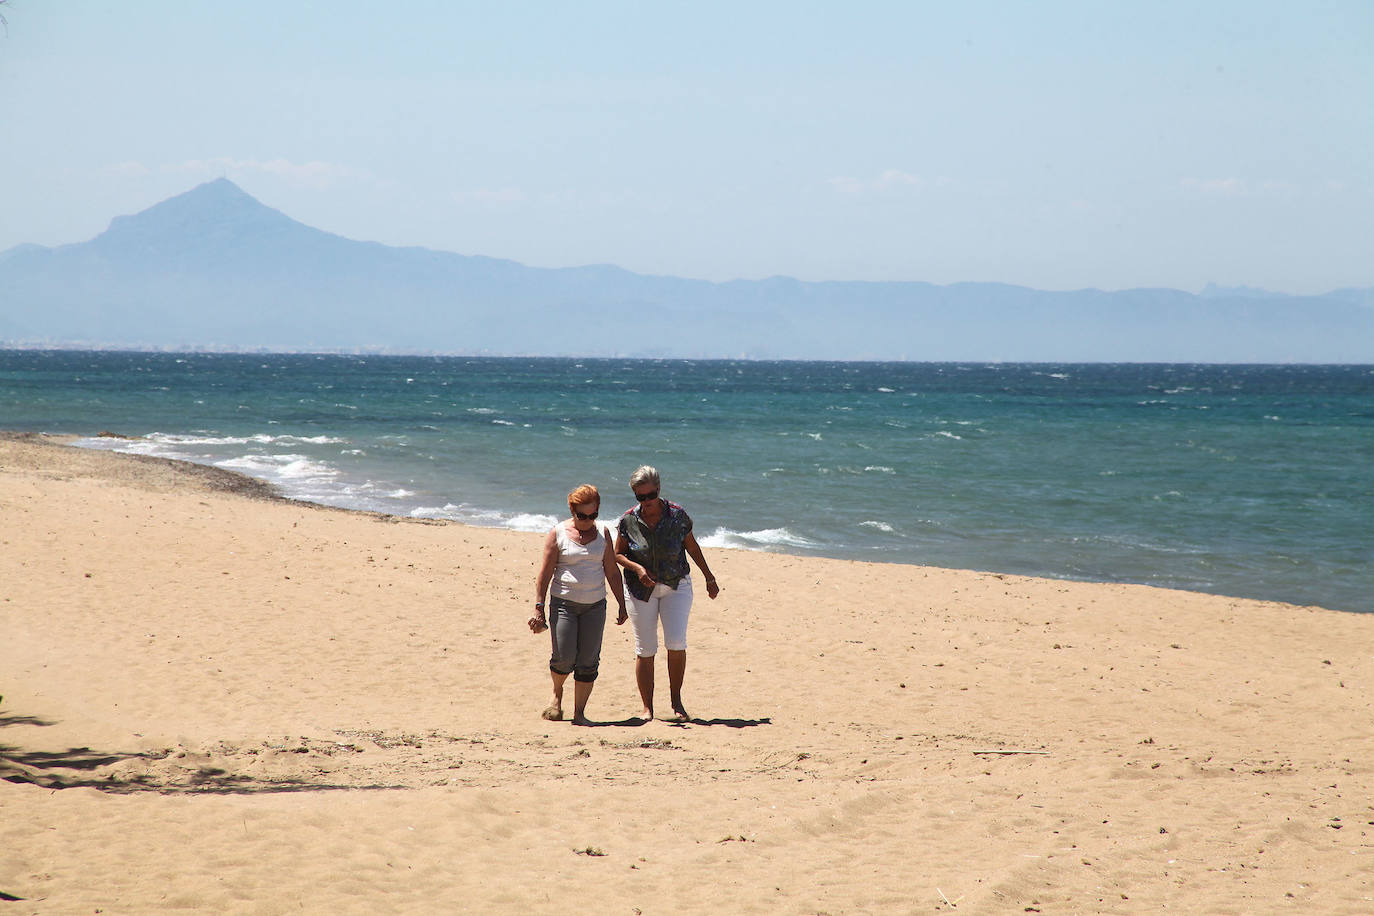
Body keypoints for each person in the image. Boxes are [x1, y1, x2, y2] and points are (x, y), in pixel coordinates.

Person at [614, 465, 719, 722]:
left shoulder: (677, 515)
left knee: (676, 643)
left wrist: (709, 576)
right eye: (640, 497)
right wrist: (638, 569)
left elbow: (692, 547)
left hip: (676, 585)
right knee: (646, 648)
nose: (646, 502)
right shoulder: (628, 520)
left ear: (659, 490)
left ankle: (676, 702)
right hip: (640, 590)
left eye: (650, 496)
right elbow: (617, 554)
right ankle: (647, 707)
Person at [530, 484, 628, 725]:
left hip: (595, 605)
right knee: (564, 657)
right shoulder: (558, 533)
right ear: (572, 511)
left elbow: (612, 572)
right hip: (564, 604)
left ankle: (580, 713)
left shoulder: (603, 533)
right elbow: (545, 572)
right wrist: (539, 606)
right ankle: (556, 695)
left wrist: (622, 604)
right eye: (582, 516)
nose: (587, 521)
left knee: (588, 660)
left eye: (592, 515)